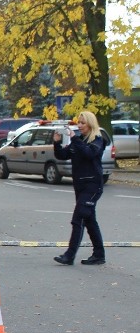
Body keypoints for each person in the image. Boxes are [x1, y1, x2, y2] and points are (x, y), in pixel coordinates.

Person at [52, 111, 106, 266]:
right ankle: (99, 255)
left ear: (90, 124)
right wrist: (57, 143)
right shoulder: (78, 141)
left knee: (78, 219)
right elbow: (62, 155)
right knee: (90, 221)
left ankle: (69, 256)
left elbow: (89, 154)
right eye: (78, 122)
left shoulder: (97, 140)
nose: (79, 126)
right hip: (80, 185)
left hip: (93, 185)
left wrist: (74, 138)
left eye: (83, 123)